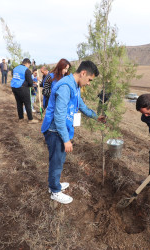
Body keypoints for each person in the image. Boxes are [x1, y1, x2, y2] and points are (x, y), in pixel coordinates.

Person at [41, 60, 106, 204]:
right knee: (56, 161)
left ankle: (55, 184)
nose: (89, 83)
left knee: (59, 160)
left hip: (61, 129)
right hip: (55, 130)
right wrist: (66, 139)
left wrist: (96, 117)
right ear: (83, 73)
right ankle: (54, 191)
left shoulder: (75, 86)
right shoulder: (65, 87)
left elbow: (81, 105)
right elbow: (58, 117)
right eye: (89, 79)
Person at [10, 58, 38, 124]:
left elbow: (15, 77)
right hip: (22, 88)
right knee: (27, 103)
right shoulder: (26, 70)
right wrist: (31, 84)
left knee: (19, 103)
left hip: (14, 87)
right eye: (29, 65)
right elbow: (30, 83)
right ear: (27, 63)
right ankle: (30, 119)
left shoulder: (15, 68)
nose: (29, 66)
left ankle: (21, 118)